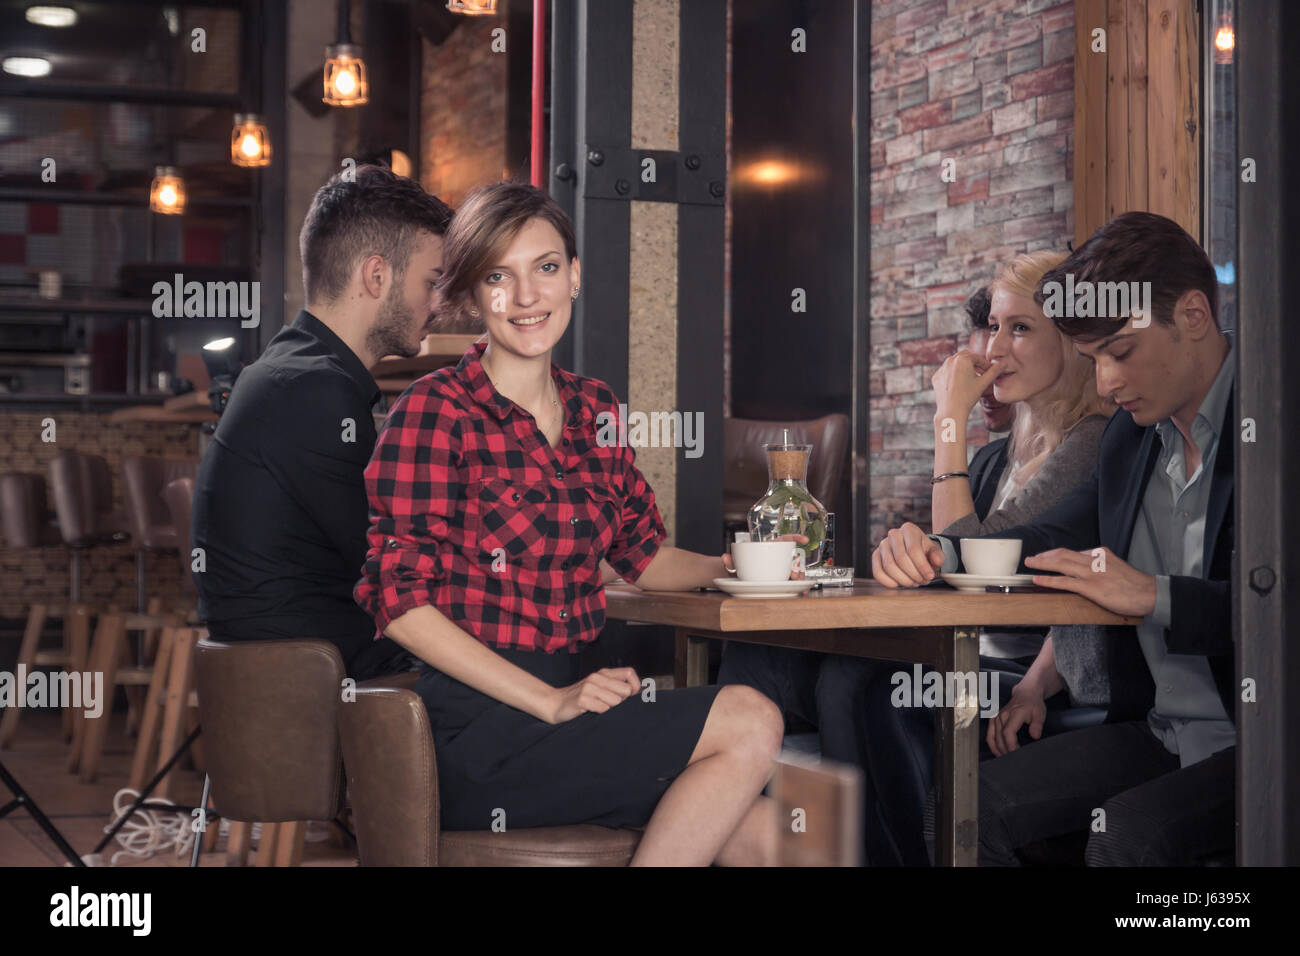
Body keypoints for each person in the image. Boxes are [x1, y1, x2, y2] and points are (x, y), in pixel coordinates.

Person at [354, 181, 791, 866]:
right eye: (500, 276)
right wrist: (551, 701)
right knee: (751, 717)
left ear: (576, 277)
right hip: (478, 729)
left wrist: (741, 566)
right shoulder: (434, 411)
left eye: (547, 267)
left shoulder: (596, 409)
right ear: (473, 295)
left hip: (575, 707)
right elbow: (397, 602)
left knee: (769, 836)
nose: (528, 297)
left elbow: (643, 556)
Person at [874, 211, 1236, 866]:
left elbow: (1273, 606)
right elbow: (1043, 539)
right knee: (960, 813)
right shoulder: (1130, 439)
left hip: (1259, 738)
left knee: (1126, 835)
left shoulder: (1267, 424)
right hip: (1157, 730)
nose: (1107, 383)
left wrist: (1155, 596)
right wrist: (940, 555)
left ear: (1193, 315)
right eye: (1095, 361)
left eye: (1120, 354)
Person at [192, 165, 451, 680]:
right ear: (377, 276)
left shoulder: (291, 371)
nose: (439, 304)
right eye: (432, 282)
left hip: (314, 666)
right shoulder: (312, 390)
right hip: (329, 679)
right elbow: (398, 566)